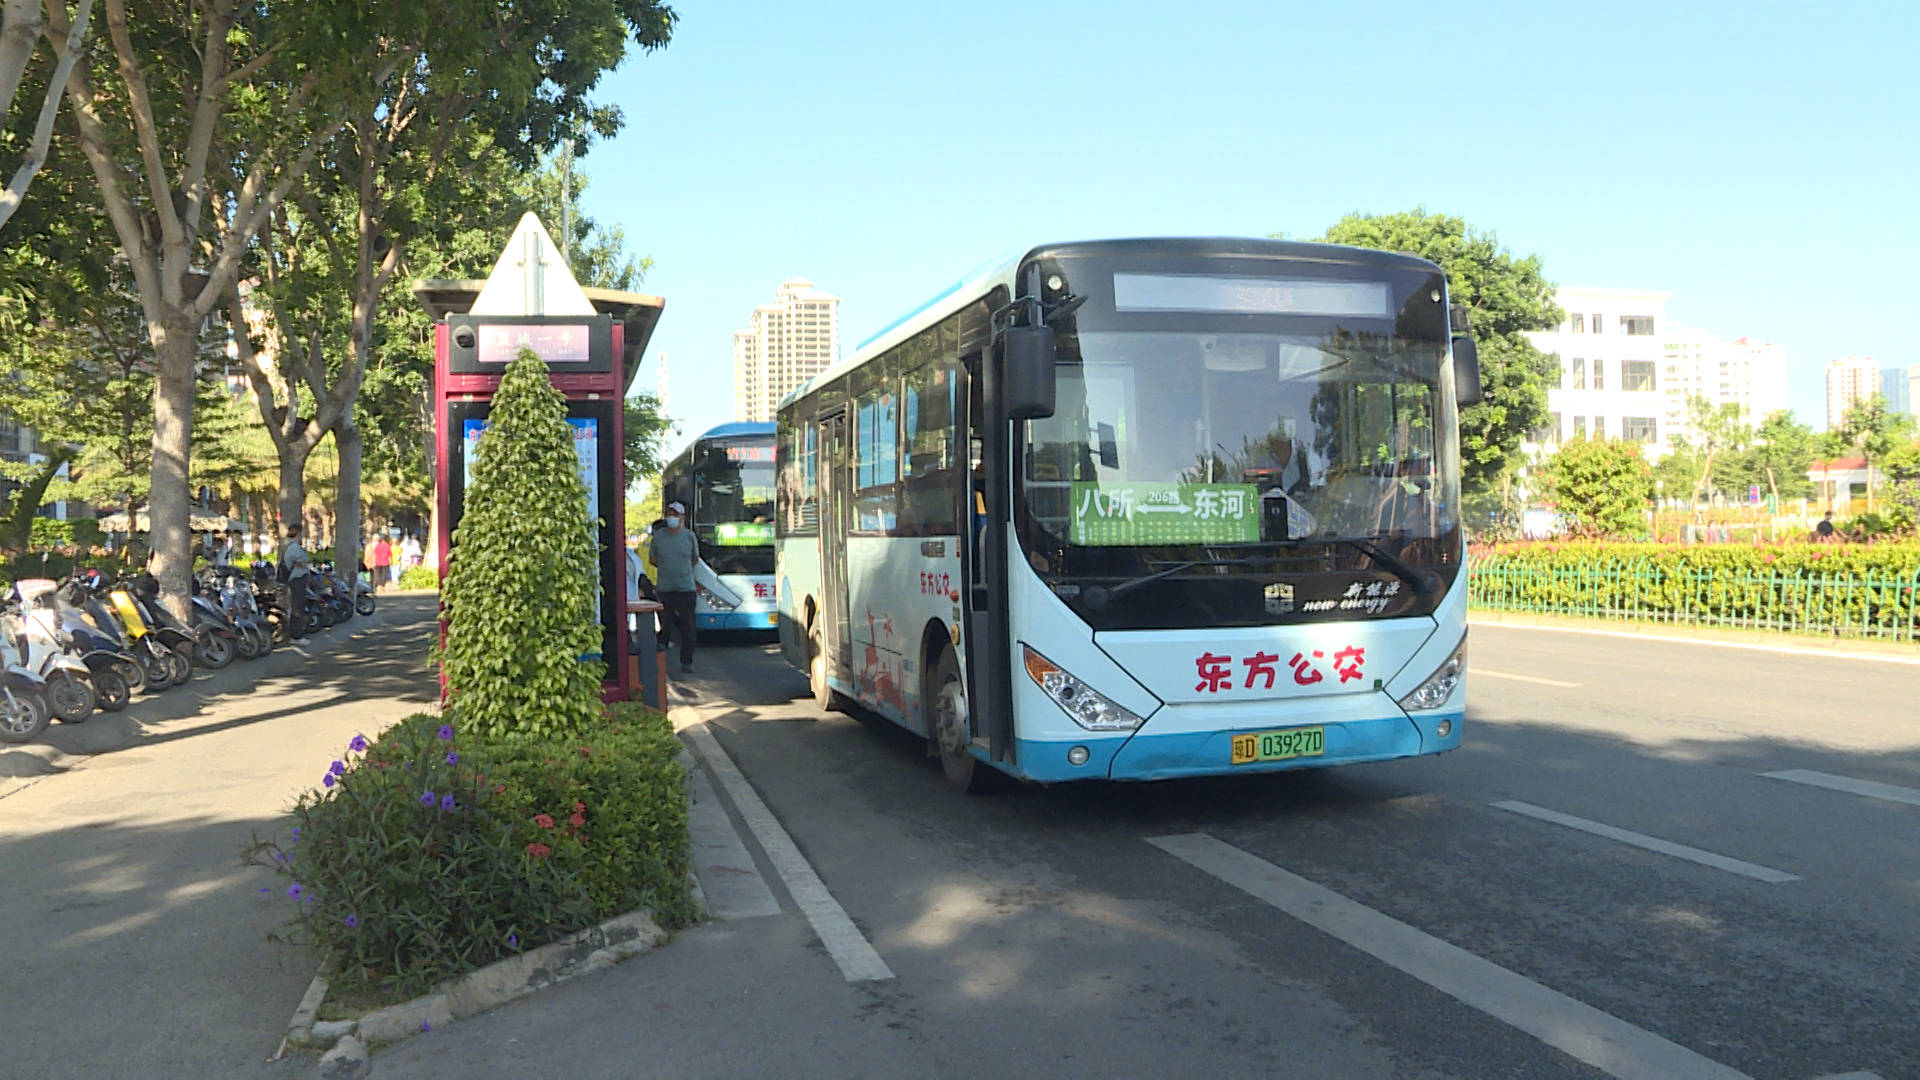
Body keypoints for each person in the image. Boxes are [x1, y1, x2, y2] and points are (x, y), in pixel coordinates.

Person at [648, 501, 699, 674]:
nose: (672, 517)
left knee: (688, 627)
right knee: (664, 627)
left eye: (675, 514)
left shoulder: (689, 536)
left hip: (686, 588)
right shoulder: (659, 536)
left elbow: (694, 559)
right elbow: (652, 559)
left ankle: (687, 662)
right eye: (669, 514)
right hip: (665, 588)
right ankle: (660, 664)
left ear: (682, 517)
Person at [281, 524, 313, 636]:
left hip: (297, 580)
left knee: (298, 606)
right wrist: (305, 563)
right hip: (297, 580)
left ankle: (297, 632)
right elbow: (302, 562)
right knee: (297, 608)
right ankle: (296, 635)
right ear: (298, 533)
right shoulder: (294, 547)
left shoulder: (291, 546)